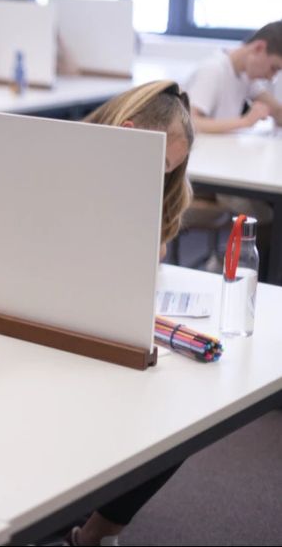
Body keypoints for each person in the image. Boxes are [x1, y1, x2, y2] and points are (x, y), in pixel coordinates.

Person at [63, 80, 194, 546]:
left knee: (186, 417)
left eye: (170, 171)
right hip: (55, 330)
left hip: (103, 326)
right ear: (130, 131)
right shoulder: (59, 165)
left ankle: (97, 532)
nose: (162, 178)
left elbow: (144, 258)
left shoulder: (141, 187)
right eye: (161, 165)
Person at [183, 20, 282, 275]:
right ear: (259, 48)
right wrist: (246, 121)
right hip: (202, 176)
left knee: (268, 206)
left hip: (223, 165)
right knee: (267, 214)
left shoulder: (244, 75)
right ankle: (238, 270)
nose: (272, 76)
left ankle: (237, 266)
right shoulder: (214, 70)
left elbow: (276, 109)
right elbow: (192, 122)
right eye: (273, 68)